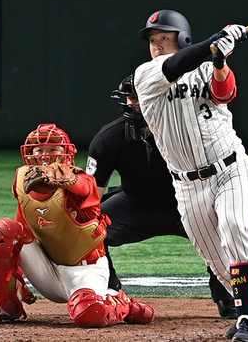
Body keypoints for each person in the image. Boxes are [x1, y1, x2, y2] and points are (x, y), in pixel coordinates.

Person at [132, 9, 248, 342]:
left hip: (231, 170)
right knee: (219, 263)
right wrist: (214, 43)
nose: (156, 45)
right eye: (153, 40)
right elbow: (174, 65)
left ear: (182, 39)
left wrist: (220, 59)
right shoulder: (145, 75)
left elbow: (225, 93)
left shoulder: (205, 66)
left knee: (234, 227)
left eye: (164, 38)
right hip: (187, 187)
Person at [0, 123, 155, 328]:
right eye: (39, 150)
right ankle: (6, 307)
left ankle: (121, 303)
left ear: (65, 154)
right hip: (47, 268)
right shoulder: (23, 180)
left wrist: (69, 180)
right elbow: (22, 231)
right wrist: (15, 276)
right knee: (4, 230)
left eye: (53, 150)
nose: (45, 156)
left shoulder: (83, 180)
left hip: (86, 271)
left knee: (89, 315)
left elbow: (84, 187)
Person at [86, 74, 237, 319]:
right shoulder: (109, 138)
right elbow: (90, 196)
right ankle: (110, 293)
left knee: (226, 227)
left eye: (145, 96)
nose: (139, 104)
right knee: (88, 228)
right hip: (135, 204)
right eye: (133, 98)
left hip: (186, 203)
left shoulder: (189, 131)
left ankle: (228, 296)